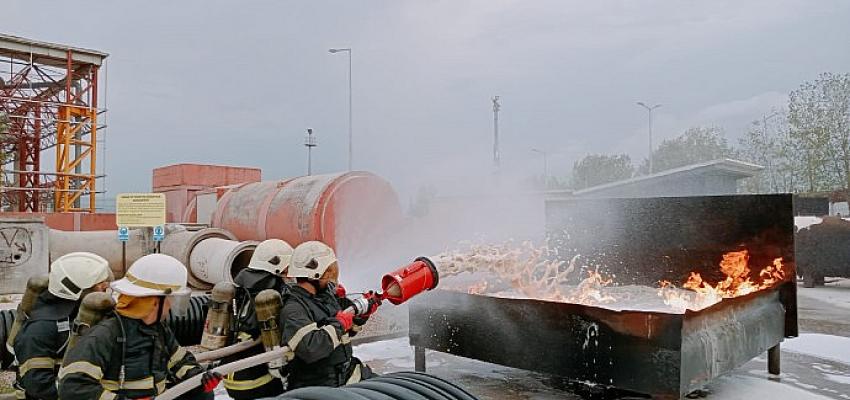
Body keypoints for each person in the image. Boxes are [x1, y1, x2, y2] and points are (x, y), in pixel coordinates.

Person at [58, 254, 221, 400]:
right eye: (170, 299)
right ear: (155, 301)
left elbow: (179, 361)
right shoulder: (105, 334)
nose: (170, 306)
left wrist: (197, 378)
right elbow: (73, 387)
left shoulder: (159, 329)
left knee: (203, 395)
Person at [13, 252, 112, 400]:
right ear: (79, 290)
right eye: (102, 289)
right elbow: (39, 386)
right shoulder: (40, 329)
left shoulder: (79, 317)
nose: (106, 295)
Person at [280, 241, 377, 390]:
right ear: (314, 274)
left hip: (345, 376)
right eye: (328, 271)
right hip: (320, 387)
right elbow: (310, 348)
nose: (331, 276)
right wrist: (340, 324)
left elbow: (345, 331)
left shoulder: (325, 296)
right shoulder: (294, 309)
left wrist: (360, 316)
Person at [222, 239, 293, 399]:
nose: (289, 274)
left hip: (231, 373)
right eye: (286, 269)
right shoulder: (271, 292)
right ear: (276, 265)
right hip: (260, 378)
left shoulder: (240, 285)